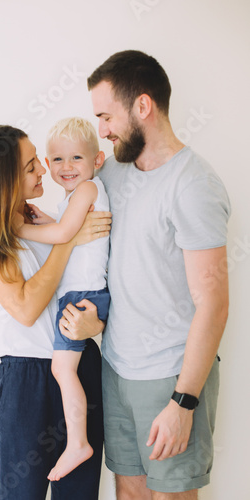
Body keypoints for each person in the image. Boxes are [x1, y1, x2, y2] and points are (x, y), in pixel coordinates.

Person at [84, 50, 231, 500]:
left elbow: (214, 303)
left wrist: (183, 402)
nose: (102, 130)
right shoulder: (113, 173)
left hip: (170, 378)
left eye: (106, 116)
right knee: (128, 494)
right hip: (116, 370)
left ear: (142, 106)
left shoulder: (193, 186)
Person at [0, 124, 111, 500]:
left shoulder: (41, 221)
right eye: (30, 164)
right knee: (22, 493)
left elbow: (84, 287)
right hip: (27, 378)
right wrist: (69, 240)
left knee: (80, 493)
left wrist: (94, 323)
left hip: (79, 363)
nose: (42, 169)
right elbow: (26, 308)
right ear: (4, 178)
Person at [16, 117, 110, 481]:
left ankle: (77, 444)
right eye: (56, 160)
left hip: (82, 295)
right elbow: (63, 226)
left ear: (97, 161)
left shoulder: (87, 190)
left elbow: (65, 233)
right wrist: (45, 218)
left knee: (62, 369)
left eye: (76, 159)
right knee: (64, 369)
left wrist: (20, 227)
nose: (66, 168)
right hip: (81, 294)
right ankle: (77, 442)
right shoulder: (78, 194)